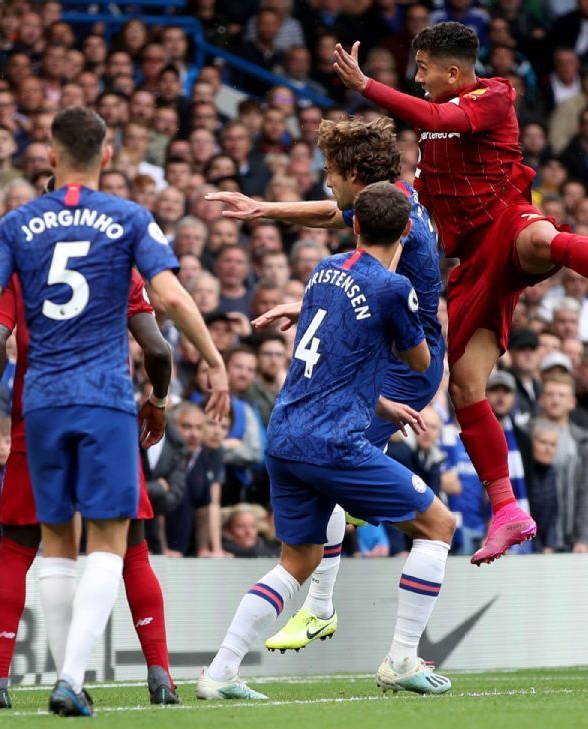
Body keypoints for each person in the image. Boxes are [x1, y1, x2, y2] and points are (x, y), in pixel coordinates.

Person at [332, 22, 588, 564]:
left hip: (507, 222)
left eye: (422, 68)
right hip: (472, 264)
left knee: (541, 237)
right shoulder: (431, 133)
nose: (417, 78)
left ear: (453, 71)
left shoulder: (494, 96)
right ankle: (507, 511)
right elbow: (377, 204)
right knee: (466, 387)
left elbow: (438, 118)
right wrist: (269, 210)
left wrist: (367, 86)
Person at [0, 107, 230, 716]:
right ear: (106, 155)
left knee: (46, 543)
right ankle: (78, 678)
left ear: (51, 155)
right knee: (119, 543)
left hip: (39, 406)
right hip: (105, 401)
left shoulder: (18, 226)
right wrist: (208, 363)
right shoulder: (128, 220)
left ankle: (40, 678)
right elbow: (166, 313)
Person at [195, 182, 451, 701]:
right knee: (438, 525)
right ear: (407, 229)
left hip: (285, 434)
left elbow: (332, 361)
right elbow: (420, 360)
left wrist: (381, 404)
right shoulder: (392, 288)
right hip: (332, 444)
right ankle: (403, 658)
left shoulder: (323, 269)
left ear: (353, 225)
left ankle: (219, 673)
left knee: (299, 559)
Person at [0, 265, 180, 709]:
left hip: (39, 422)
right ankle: (161, 677)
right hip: (108, 420)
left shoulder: (23, 258)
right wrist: (158, 400)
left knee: (16, 552)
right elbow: (157, 348)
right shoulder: (119, 258)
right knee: (132, 552)